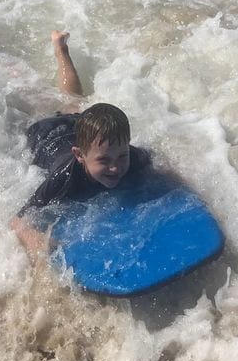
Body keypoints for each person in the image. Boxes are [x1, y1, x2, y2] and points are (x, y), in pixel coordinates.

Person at [9, 31, 151, 253]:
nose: (115, 167)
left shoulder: (129, 156)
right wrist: (37, 242)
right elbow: (19, 220)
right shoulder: (64, 176)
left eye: (122, 156)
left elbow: (157, 163)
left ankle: (61, 49)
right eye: (104, 160)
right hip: (45, 134)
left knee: (73, 102)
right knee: (35, 100)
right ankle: (11, 70)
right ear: (79, 156)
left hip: (77, 125)